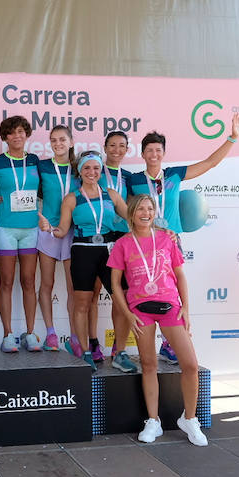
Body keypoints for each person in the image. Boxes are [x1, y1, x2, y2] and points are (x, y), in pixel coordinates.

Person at [126, 117, 239, 363]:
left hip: (170, 240)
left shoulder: (175, 174)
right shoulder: (134, 180)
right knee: (147, 290)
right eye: (149, 150)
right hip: (145, 242)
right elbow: (125, 208)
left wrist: (232, 138)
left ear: (164, 153)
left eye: (158, 150)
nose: (154, 154)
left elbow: (209, 163)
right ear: (143, 154)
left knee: (170, 287)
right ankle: (146, 339)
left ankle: (169, 343)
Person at [108, 194, 208, 446]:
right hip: (140, 309)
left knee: (190, 365)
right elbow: (115, 284)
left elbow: (180, 275)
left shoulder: (166, 238)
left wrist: (186, 307)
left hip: (170, 306)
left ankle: (190, 419)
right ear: (131, 213)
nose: (145, 212)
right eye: (140, 208)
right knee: (149, 364)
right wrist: (128, 314)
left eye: (150, 208)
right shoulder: (122, 244)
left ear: (155, 213)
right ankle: (153, 421)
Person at [51, 150, 127, 363]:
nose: (91, 172)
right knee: (82, 303)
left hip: (110, 250)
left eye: (95, 167)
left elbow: (133, 216)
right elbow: (63, 230)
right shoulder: (71, 199)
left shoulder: (111, 194)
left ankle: (119, 352)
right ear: (79, 171)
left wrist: (157, 228)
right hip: (83, 250)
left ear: (101, 170)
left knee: (122, 299)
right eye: (86, 168)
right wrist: (50, 229)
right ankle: (85, 352)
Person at [0, 115, 40, 352]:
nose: (17, 136)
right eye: (12, 132)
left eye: (21, 131)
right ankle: (8, 335)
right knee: (6, 282)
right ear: (5, 137)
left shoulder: (36, 160)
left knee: (29, 282)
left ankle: (30, 333)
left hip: (30, 228)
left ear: (27, 135)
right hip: (6, 226)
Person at [35, 124, 77, 351]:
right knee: (47, 283)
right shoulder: (42, 166)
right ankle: (50, 333)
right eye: (53, 140)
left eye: (62, 139)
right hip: (48, 229)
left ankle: (74, 335)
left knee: (73, 287)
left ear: (71, 142)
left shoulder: (80, 168)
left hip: (73, 232)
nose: (58, 144)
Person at [95, 130, 132, 365]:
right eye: (112, 145)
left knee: (123, 296)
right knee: (90, 294)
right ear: (105, 148)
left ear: (127, 150)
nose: (116, 150)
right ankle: (91, 345)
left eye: (121, 146)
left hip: (123, 239)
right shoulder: (94, 171)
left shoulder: (130, 177)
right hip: (97, 236)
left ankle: (119, 350)